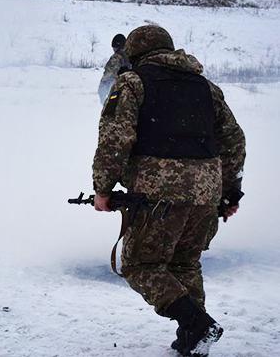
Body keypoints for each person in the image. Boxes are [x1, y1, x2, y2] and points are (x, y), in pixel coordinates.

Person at [92, 25, 246, 356]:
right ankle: (193, 341)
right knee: (185, 264)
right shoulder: (206, 87)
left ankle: (199, 326)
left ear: (134, 54)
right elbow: (234, 140)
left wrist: (103, 188)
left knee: (139, 265)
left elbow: (114, 138)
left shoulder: (132, 82)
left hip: (157, 195)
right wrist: (230, 192)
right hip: (206, 192)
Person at [97, 34, 130, 104]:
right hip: (130, 90)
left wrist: (102, 87)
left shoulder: (116, 57)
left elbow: (108, 73)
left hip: (117, 90)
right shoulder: (131, 55)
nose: (113, 50)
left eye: (114, 47)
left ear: (117, 47)